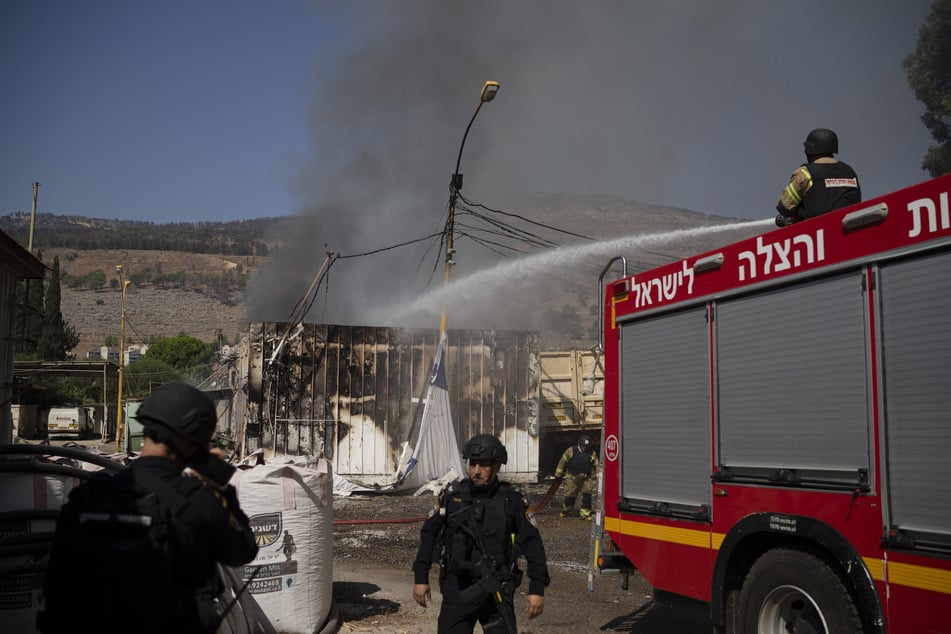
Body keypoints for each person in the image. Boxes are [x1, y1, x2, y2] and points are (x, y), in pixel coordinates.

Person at [38, 382, 259, 634]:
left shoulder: (87, 498)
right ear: (192, 441)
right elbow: (243, 551)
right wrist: (222, 490)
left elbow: (56, 589)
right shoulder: (200, 502)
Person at [412, 433, 550, 633]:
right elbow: (429, 534)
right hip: (458, 587)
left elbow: (533, 544)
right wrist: (421, 577)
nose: (476, 471)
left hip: (497, 588)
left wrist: (537, 588)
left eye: (484, 465)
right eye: (472, 464)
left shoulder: (512, 500)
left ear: (497, 466)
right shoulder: (452, 496)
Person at [775, 128, 861, 227]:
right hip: (848, 230)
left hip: (816, 233)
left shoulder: (805, 173)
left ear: (809, 150)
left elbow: (785, 206)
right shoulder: (849, 171)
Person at [555, 434, 600, 520]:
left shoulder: (592, 453)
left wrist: (598, 477)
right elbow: (562, 461)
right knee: (570, 495)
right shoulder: (571, 451)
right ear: (579, 444)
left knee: (587, 495)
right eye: (583, 446)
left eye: (586, 446)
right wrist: (558, 474)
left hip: (586, 478)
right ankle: (566, 510)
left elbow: (596, 465)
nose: (585, 448)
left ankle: (585, 514)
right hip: (572, 477)